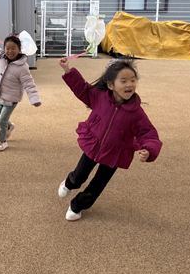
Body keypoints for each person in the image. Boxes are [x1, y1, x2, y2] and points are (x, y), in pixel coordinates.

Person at [58, 57, 162, 221]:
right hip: (93, 146)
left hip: (115, 153)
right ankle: (69, 184)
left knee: (97, 185)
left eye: (133, 80)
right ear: (111, 85)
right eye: (124, 81)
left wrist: (149, 150)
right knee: (79, 176)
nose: (129, 84)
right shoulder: (99, 97)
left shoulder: (136, 113)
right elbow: (82, 89)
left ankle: (77, 205)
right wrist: (68, 71)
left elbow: (148, 132)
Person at [0, 34, 41, 151]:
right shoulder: (2, 57)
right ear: (4, 49)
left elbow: (29, 83)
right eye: (7, 48)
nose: (10, 51)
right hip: (0, 95)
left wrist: (34, 99)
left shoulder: (22, 67)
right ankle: (10, 126)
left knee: (1, 121)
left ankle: (2, 142)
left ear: (19, 49)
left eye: (13, 48)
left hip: (12, 99)